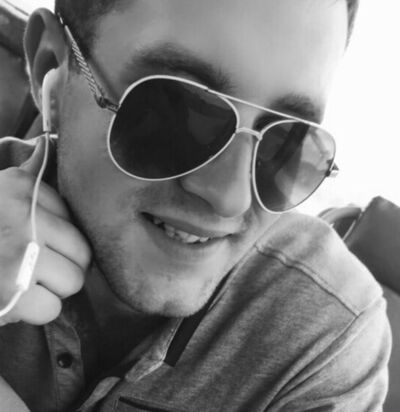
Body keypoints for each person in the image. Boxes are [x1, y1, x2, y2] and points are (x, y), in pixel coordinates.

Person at [0, 0, 391, 411]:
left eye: (286, 142)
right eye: (175, 110)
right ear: (51, 69)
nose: (230, 198)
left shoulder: (325, 335)